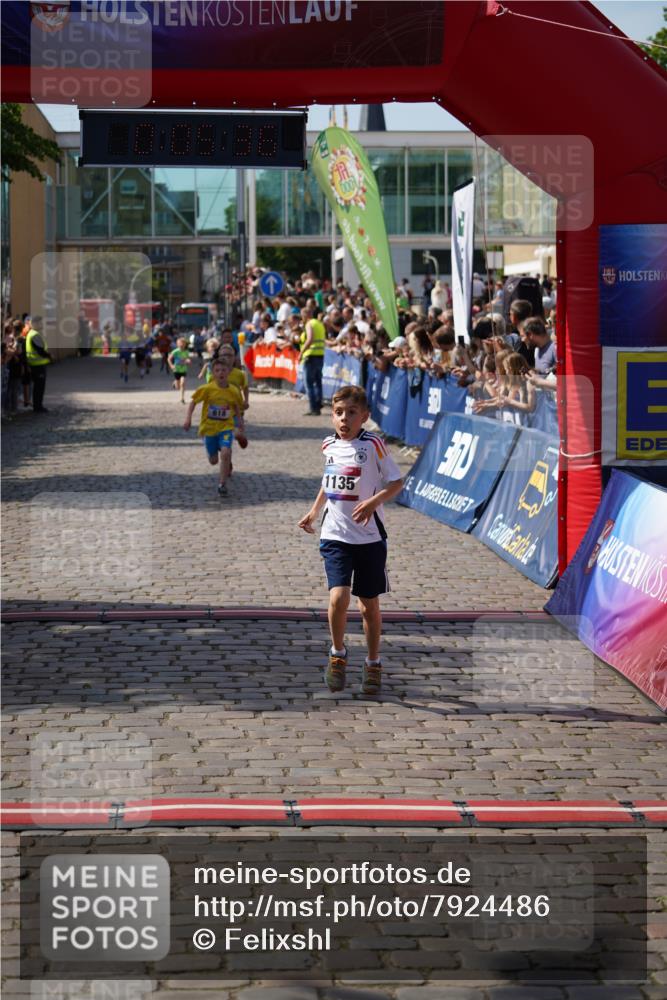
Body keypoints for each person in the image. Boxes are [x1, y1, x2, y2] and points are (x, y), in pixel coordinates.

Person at [298, 386, 403, 695]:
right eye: (339, 413)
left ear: (365, 417)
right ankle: (338, 654)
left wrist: (373, 503)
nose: (344, 418)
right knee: (338, 597)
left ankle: (373, 662)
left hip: (370, 538)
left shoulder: (373, 445)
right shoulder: (328, 444)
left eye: (351, 413)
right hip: (335, 534)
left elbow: (396, 482)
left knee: (369, 606)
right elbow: (328, 480)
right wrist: (315, 511)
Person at [183, 356, 245, 497]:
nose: (221, 373)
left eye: (223, 370)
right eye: (217, 370)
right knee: (213, 461)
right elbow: (193, 403)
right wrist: (188, 419)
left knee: (225, 452)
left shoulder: (234, 391)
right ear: (212, 373)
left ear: (229, 372)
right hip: (209, 429)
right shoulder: (207, 389)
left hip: (225, 428)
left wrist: (240, 424)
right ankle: (215, 452)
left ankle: (222, 484)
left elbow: (236, 408)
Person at [299, 307, 326, 416]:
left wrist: (301, 352)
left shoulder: (309, 324)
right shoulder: (319, 324)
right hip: (320, 355)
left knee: (309, 384)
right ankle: (318, 404)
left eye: (302, 315)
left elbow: (310, 339)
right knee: (318, 382)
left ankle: (313, 408)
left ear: (306, 315)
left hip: (310, 356)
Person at [25, 315, 52, 413]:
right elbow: (40, 350)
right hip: (38, 365)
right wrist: (49, 356)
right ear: (35, 324)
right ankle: (38, 407)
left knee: (38, 386)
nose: (42, 324)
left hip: (35, 364)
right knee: (39, 387)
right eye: (40, 322)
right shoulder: (35, 335)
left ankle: (38, 406)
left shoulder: (32, 333)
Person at [168, 336, 191, 403]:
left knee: (183, 383)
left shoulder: (186, 352)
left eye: (183, 343)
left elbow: (187, 358)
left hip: (183, 370)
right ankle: (175, 383)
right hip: (176, 370)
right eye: (180, 343)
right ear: (177, 344)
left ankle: (182, 398)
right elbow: (169, 359)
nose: (182, 345)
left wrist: (188, 361)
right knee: (178, 387)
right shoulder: (175, 351)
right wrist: (171, 365)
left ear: (185, 344)